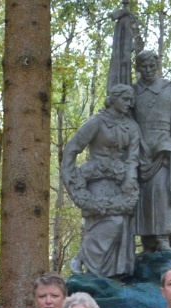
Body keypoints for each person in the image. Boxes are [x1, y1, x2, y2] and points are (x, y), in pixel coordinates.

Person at [60, 84, 141, 278]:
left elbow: (133, 157)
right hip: (96, 179)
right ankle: (82, 259)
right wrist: (71, 177)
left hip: (120, 182)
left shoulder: (132, 126)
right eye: (125, 99)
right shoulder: (97, 122)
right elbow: (73, 147)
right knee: (109, 221)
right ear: (113, 99)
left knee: (120, 225)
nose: (129, 104)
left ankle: (108, 276)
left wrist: (130, 178)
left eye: (131, 100)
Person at [132, 49, 171, 253]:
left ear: (157, 66)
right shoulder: (132, 91)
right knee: (143, 196)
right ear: (137, 68)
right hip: (139, 150)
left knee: (163, 192)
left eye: (151, 66)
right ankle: (147, 239)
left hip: (164, 148)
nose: (148, 70)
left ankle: (164, 236)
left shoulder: (170, 89)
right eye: (143, 66)